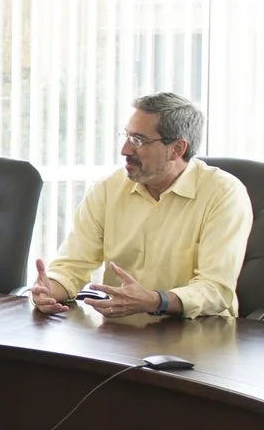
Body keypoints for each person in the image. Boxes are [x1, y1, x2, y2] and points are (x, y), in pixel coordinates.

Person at [27, 92, 252, 320]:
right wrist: (48, 290)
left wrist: (155, 301)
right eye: (126, 136)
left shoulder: (223, 194)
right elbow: (71, 266)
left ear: (177, 149)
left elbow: (215, 289)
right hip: (121, 330)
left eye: (138, 140)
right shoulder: (108, 189)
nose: (124, 150)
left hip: (201, 330)